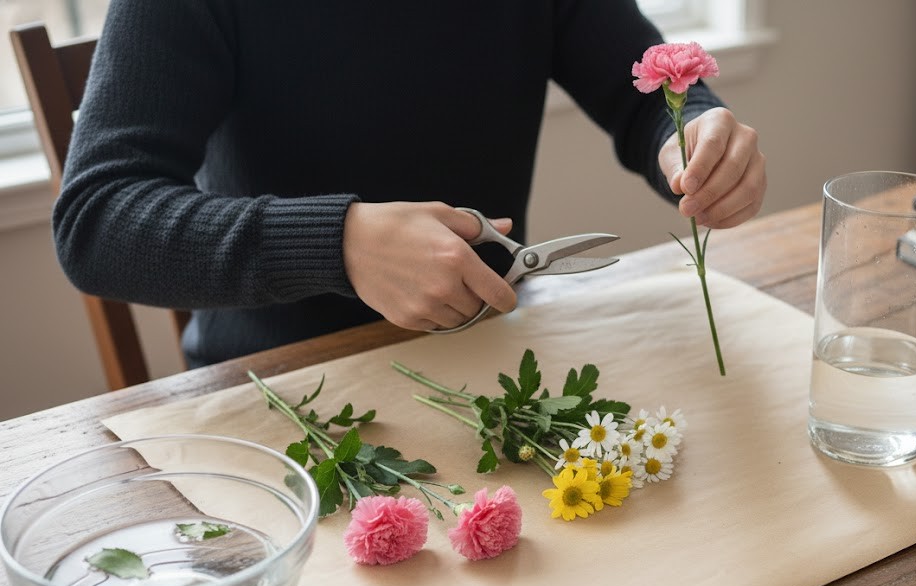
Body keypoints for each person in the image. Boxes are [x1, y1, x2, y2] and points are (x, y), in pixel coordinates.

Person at [53, 1, 767, 369]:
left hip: (494, 359)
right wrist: (338, 243)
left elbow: (642, 89)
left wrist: (692, 130)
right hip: (281, 392)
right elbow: (97, 218)